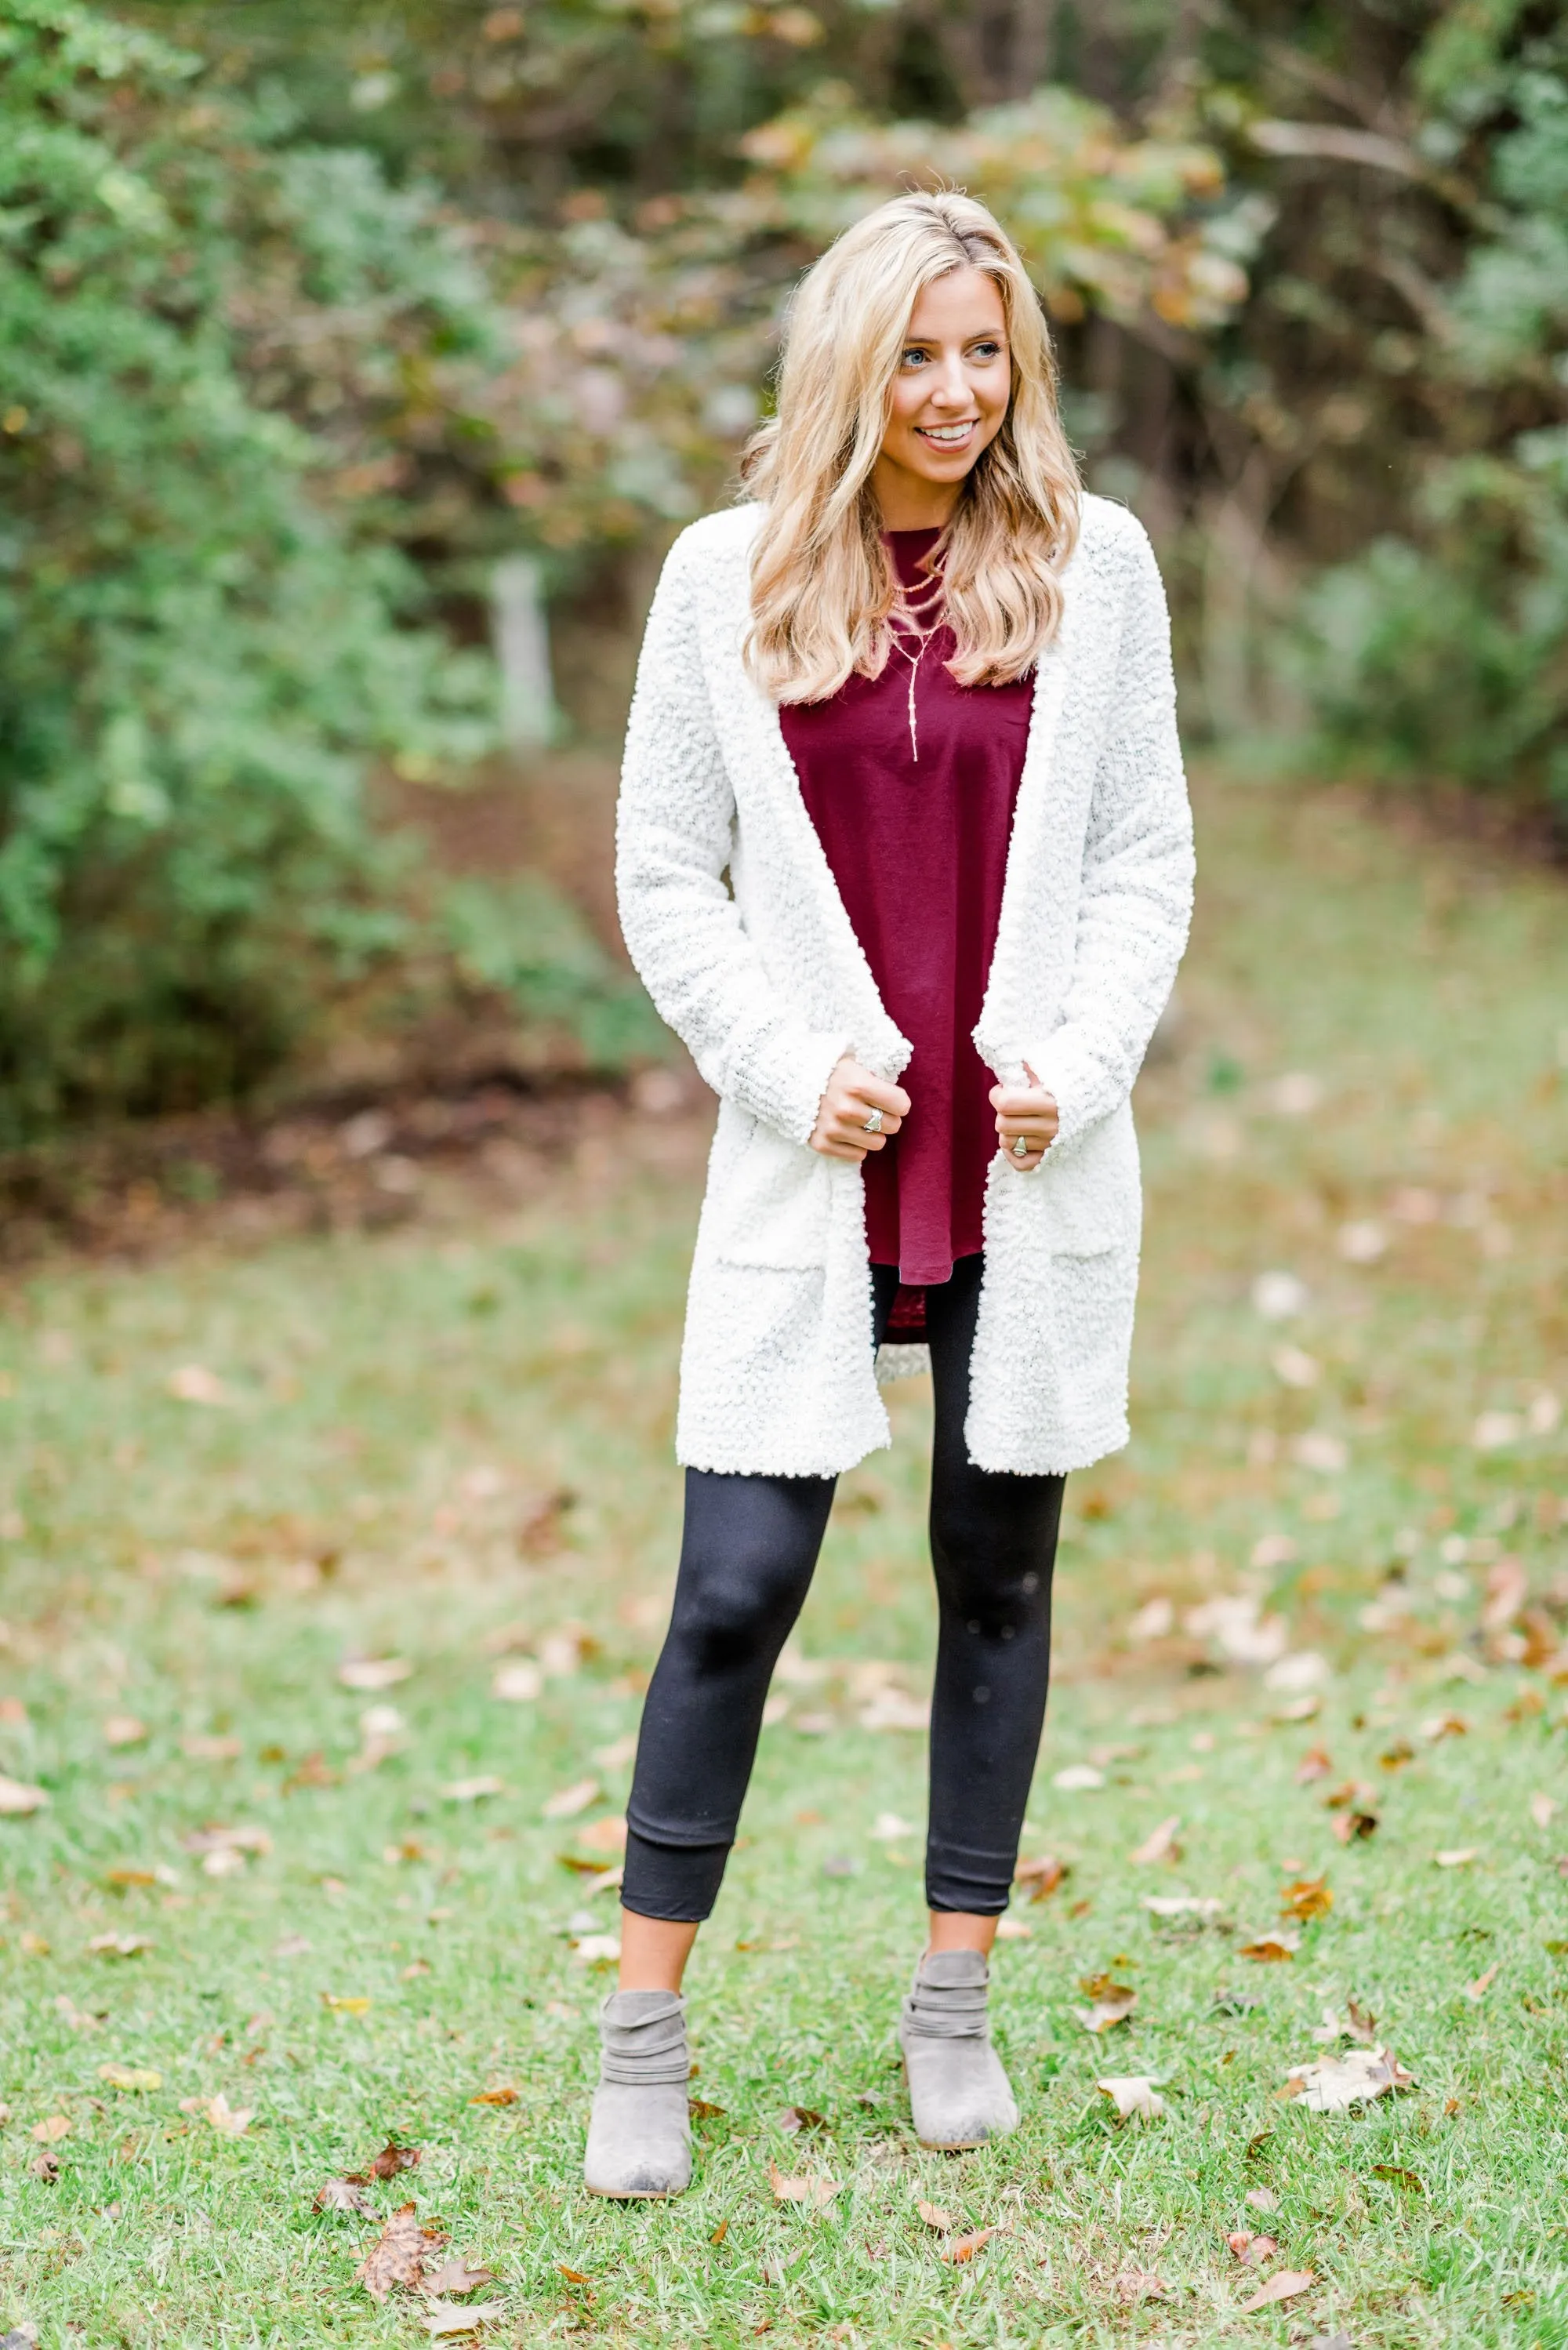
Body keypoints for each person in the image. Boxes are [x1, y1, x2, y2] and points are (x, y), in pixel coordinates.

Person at [593, 190, 1193, 2196]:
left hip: (1017, 1167)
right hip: (812, 1167)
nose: (956, 389)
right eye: (919, 352)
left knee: (996, 1576)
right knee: (736, 1592)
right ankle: (641, 2035)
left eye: (987, 347)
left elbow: (1139, 856)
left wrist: (1076, 1063)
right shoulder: (723, 578)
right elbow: (667, 868)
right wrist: (787, 1067)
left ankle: (952, 2011)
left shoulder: (1095, 569)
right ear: (851, 364)